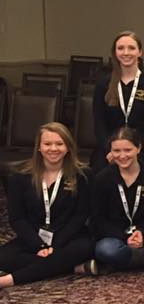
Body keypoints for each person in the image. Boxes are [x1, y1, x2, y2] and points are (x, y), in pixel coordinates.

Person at [0, 123, 93, 288]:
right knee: (3, 256)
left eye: (59, 143)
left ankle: (8, 280)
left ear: (68, 148)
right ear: (39, 148)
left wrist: (55, 245)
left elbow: (81, 215)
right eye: (47, 144)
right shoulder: (19, 177)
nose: (53, 149)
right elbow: (17, 218)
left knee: (85, 248)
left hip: (69, 237)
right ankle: (71, 267)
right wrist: (39, 246)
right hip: (34, 236)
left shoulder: (82, 175)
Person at [91, 127, 144, 272]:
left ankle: (128, 259)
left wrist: (141, 230)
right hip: (117, 236)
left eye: (128, 150)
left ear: (138, 148)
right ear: (110, 151)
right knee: (105, 250)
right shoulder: (102, 178)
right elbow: (98, 219)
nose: (122, 156)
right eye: (116, 151)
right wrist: (124, 237)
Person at [92, 31, 144, 173]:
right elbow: (99, 125)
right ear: (115, 52)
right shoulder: (103, 85)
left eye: (131, 48)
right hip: (110, 150)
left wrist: (133, 149)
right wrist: (113, 150)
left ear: (140, 52)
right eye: (121, 48)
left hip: (143, 149)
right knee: (99, 170)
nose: (126, 53)